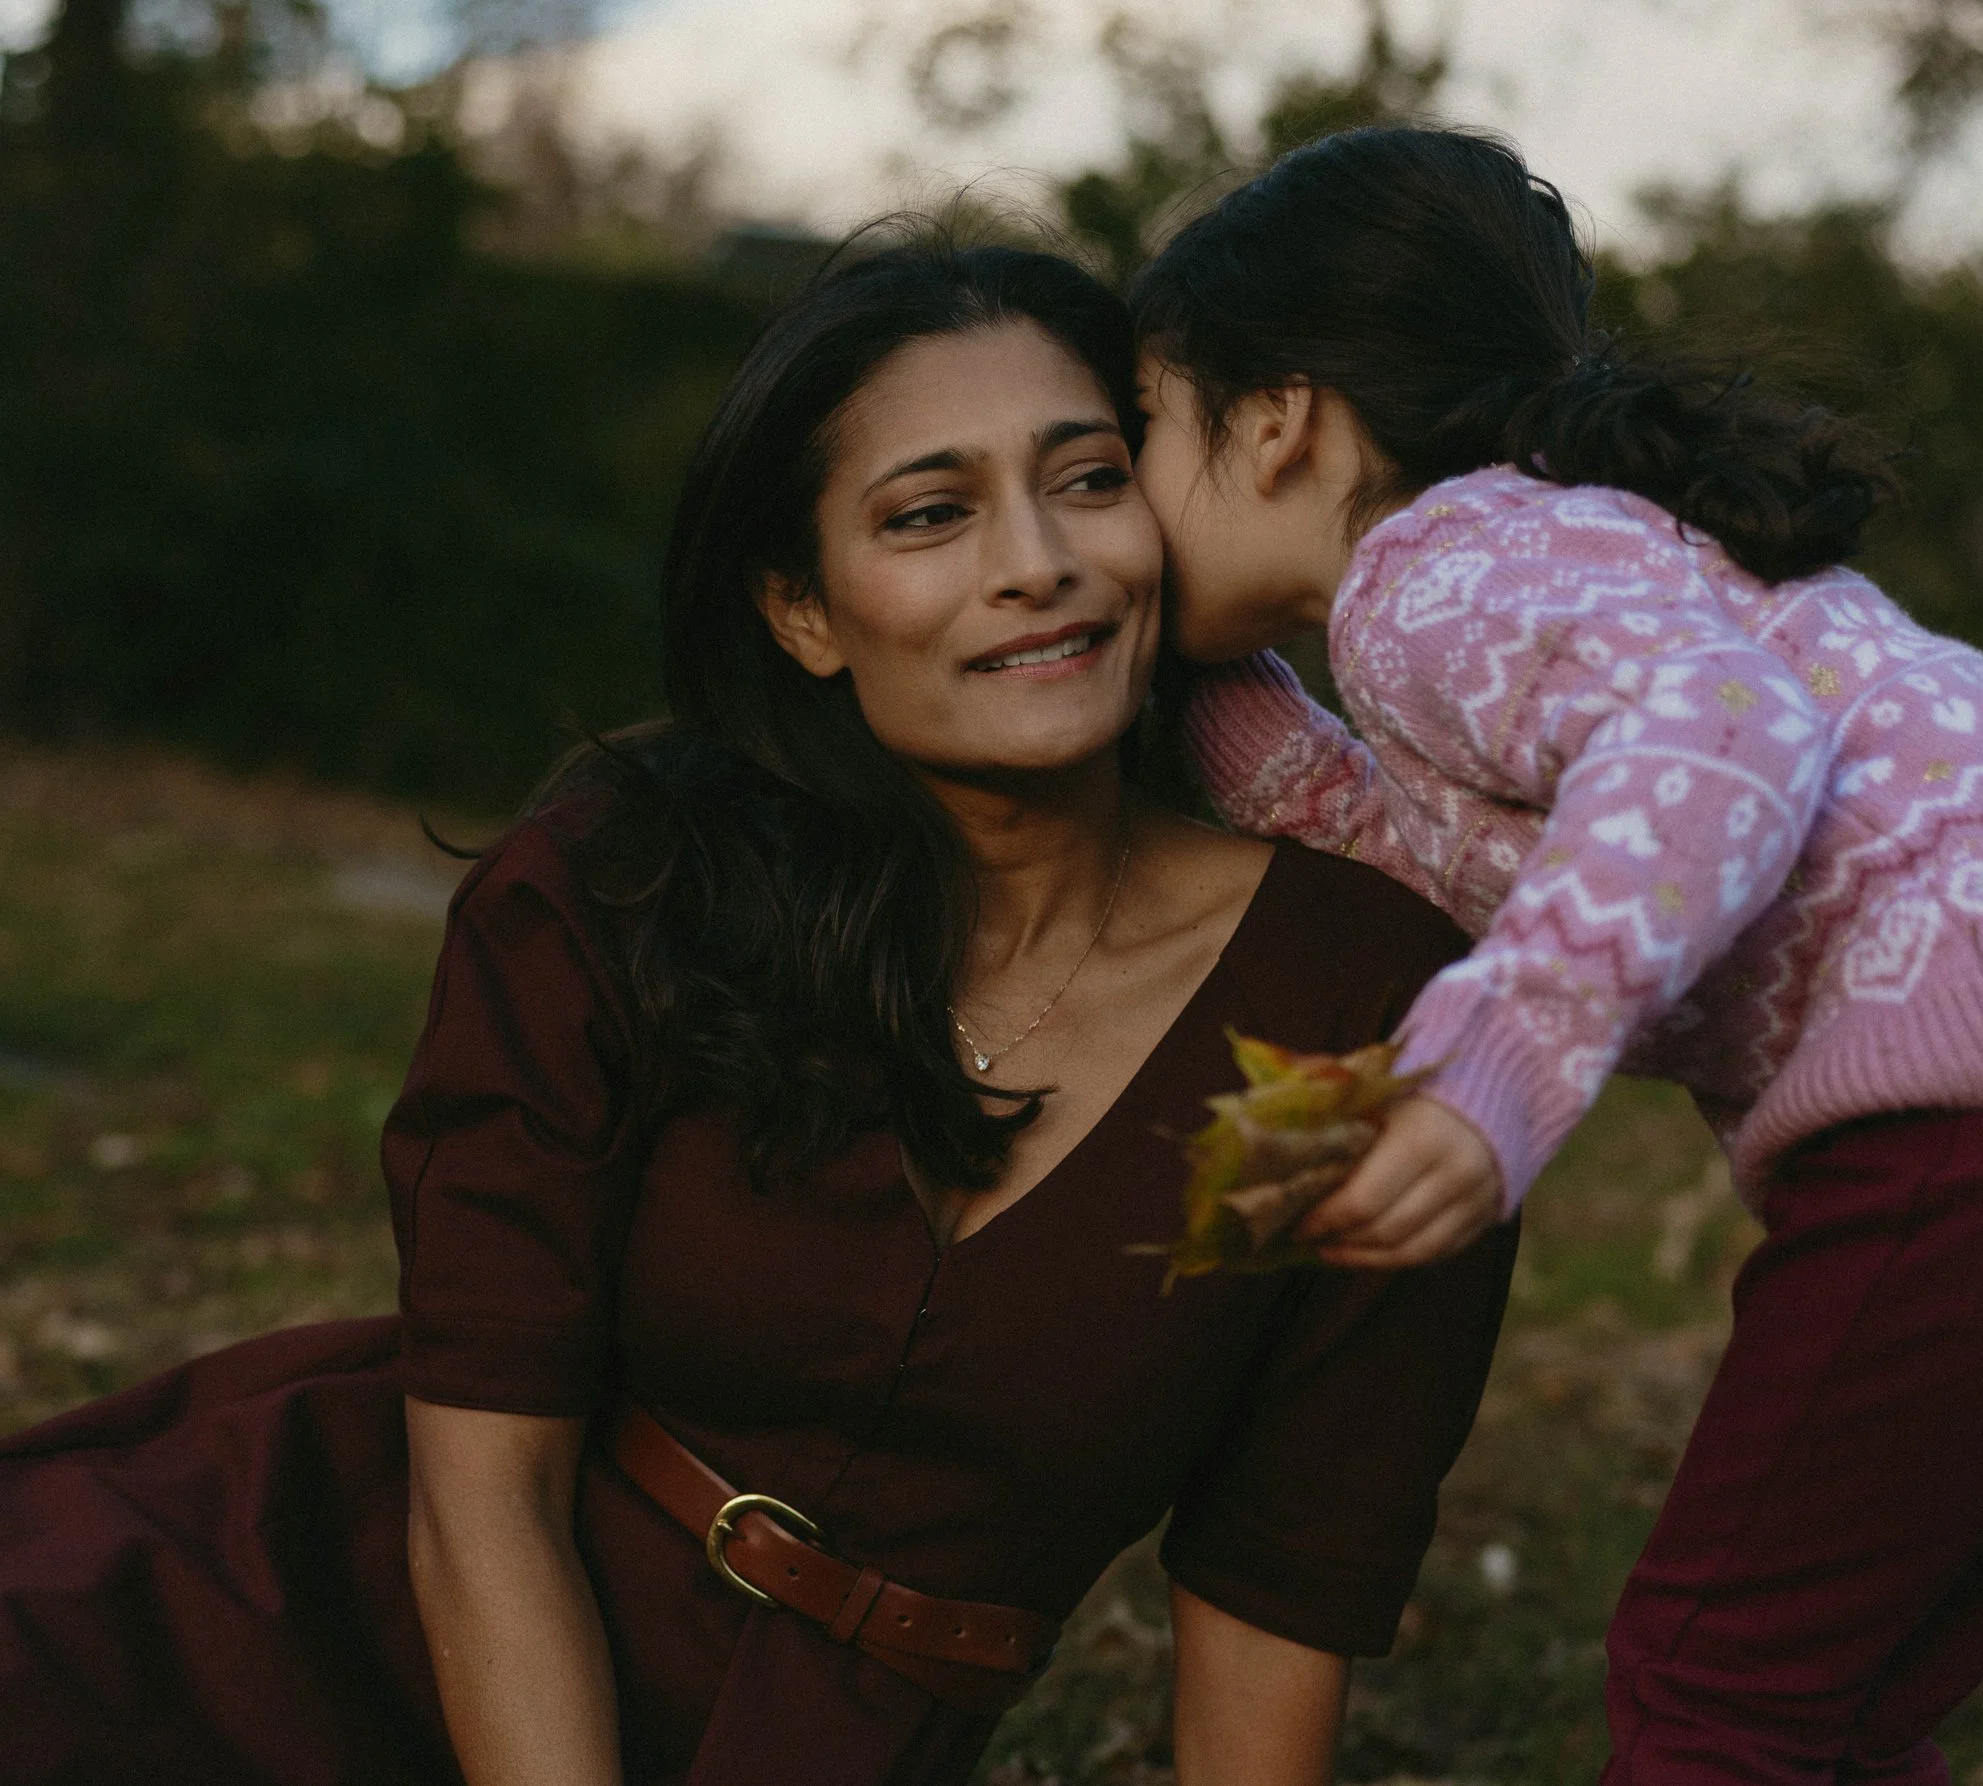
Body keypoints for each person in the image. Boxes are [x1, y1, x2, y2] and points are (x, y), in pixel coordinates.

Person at [0, 231, 1518, 1786]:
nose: (1037, 562)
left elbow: (1276, 1587)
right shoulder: (632, 877)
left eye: (1085, 479)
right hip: (279, 1639)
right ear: (802, 610)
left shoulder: (1359, 1008)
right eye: (931, 513)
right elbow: (483, 1490)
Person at [1128, 125, 1983, 1785]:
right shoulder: (1565, 544)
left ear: (1273, 415)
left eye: (1136, 430)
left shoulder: (1429, 572)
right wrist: (1169, 677)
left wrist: (1499, 1060)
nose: (1116, 494)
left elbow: (1721, 734)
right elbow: (1431, 846)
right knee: (1831, 1703)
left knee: (1718, 1694)